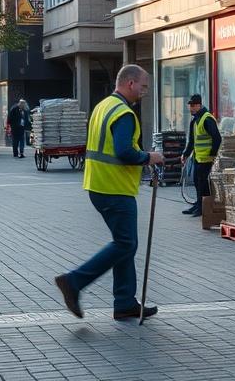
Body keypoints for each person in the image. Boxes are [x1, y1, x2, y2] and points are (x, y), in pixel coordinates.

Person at [54, 64, 164, 321]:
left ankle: (124, 302)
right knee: (125, 243)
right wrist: (151, 157)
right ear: (130, 84)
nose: (145, 91)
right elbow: (124, 151)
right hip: (115, 188)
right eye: (144, 85)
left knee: (126, 244)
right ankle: (74, 282)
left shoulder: (103, 106)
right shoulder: (124, 113)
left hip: (98, 185)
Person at [180, 94, 222, 217]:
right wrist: (186, 154)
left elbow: (217, 139)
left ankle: (204, 207)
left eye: (193, 105)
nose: (191, 108)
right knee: (196, 181)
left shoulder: (207, 119)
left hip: (207, 159)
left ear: (199, 105)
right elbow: (192, 141)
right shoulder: (196, 120)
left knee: (203, 183)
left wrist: (213, 155)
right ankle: (198, 204)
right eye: (190, 105)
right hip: (198, 157)